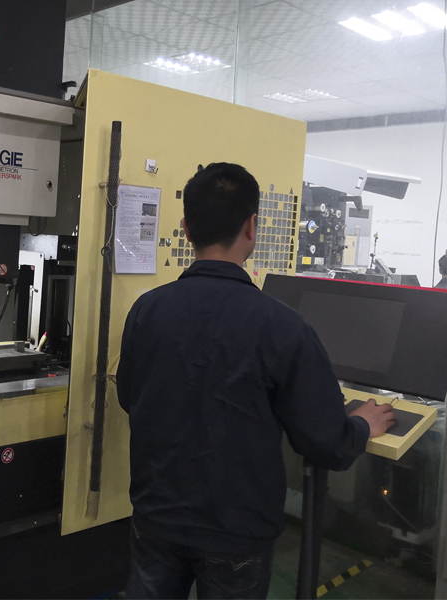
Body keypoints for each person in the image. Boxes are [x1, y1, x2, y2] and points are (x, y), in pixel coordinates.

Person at [116, 163, 395, 600]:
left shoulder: (147, 311)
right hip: (237, 532)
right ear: (252, 227)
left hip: (156, 518)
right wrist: (361, 424)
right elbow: (325, 442)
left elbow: (129, 397)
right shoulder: (284, 327)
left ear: (186, 229)